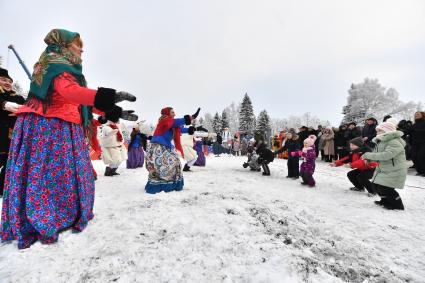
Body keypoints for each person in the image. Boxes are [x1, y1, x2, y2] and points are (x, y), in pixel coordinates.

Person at [1, 29, 137, 249]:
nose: (82, 50)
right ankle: (47, 216)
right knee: (47, 173)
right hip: (51, 128)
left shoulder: (62, 68)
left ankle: (63, 212)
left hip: (63, 127)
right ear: (63, 47)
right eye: (77, 45)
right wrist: (108, 96)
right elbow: (70, 93)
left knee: (63, 172)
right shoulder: (55, 66)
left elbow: (77, 100)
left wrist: (112, 111)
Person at [145, 107, 200, 194]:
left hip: (164, 147)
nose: (174, 114)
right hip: (158, 147)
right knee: (166, 165)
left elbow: (178, 129)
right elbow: (176, 122)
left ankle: (169, 183)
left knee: (175, 163)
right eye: (172, 112)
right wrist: (191, 117)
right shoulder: (165, 121)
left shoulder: (170, 123)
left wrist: (189, 130)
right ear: (167, 114)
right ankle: (161, 185)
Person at [362, 118, 406, 210]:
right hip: (384, 168)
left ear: (387, 131)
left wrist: (368, 155)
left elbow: (387, 155)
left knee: (386, 188)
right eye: (377, 130)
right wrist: (369, 159)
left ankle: (397, 205)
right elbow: (376, 155)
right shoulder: (381, 141)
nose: (377, 132)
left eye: (379, 130)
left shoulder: (394, 141)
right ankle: (385, 201)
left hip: (394, 169)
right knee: (376, 186)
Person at [0, 68, 25, 198]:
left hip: (11, 138)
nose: (8, 82)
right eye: (3, 79)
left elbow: (29, 108)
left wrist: (22, 111)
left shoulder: (19, 98)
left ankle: (2, 190)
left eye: (10, 80)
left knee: (8, 165)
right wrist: (4, 104)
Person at [408, 112, 425, 176]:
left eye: (418, 114)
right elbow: (407, 131)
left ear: (422, 115)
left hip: (423, 143)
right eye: (415, 114)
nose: (416, 115)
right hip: (415, 144)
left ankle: (424, 171)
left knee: (421, 156)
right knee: (413, 156)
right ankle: (420, 171)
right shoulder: (414, 125)